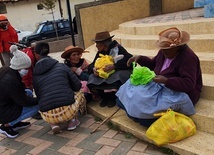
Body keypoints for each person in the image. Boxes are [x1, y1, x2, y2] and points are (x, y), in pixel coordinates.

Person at [116, 27, 203, 127]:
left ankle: (141, 117)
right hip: (162, 86)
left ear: (178, 47)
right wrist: (140, 58)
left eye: (167, 51)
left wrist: (167, 81)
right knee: (127, 93)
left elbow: (188, 84)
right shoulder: (164, 51)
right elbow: (153, 64)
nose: (164, 52)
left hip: (180, 92)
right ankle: (138, 115)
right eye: (163, 50)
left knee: (145, 118)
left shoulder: (188, 58)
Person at [32, 42, 86, 134]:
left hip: (47, 115)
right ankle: (72, 121)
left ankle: (54, 124)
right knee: (79, 91)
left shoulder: (35, 75)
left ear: (36, 54)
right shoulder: (62, 66)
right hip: (68, 111)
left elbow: (39, 96)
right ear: (48, 52)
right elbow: (77, 86)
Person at [0, 45, 39, 138]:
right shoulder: (11, 80)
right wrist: (40, 99)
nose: (27, 71)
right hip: (3, 111)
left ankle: (15, 122)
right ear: (19, 68)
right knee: (38, 105)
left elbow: (22, 93)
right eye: (26, 68)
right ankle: (7, 125)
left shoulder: (7, 70)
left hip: (5, 104)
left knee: (28, 93)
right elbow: (24, 101)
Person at [87, 31, 133, 108]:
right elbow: (92, 64)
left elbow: (129, 59)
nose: (96, 46)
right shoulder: (100, 52)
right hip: (105, 74)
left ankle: (112, 97)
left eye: (98, 43)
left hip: (117, 71)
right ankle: (105, 97)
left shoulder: (118, 48)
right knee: (92, 77)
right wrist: (93, 69)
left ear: (104, 43)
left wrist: (114, 66)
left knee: (118, 76)